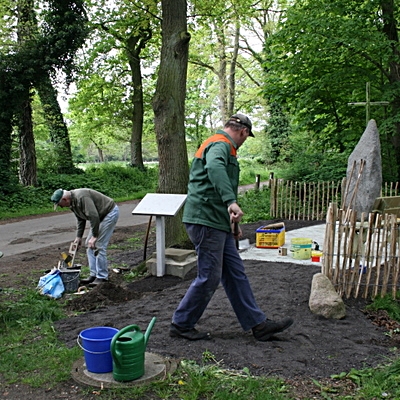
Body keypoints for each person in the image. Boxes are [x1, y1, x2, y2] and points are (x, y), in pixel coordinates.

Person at [170, 114, 294, 341]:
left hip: (216, 222)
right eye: (247, 137)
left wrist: (233, 226)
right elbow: (215, 169)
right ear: (244, 132)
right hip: (205, 220)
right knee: (209, 276)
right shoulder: (221, 144)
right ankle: (181, 324)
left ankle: (258, 324)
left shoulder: (219, 144)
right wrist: (231, 201)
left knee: (235, 274)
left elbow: (215, 184)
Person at [51, 188, 119, 286]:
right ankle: (94, 275)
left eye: (60, 204)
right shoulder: (72, 203)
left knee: (98, 245)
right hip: (98, 217)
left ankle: (102, 277)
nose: (61, 207)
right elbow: (80, 219)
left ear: (65, 200)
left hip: (108, 213)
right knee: (89, 244)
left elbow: (93, 216)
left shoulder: (82, 197)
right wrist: (78, 237)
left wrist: (95, 236)